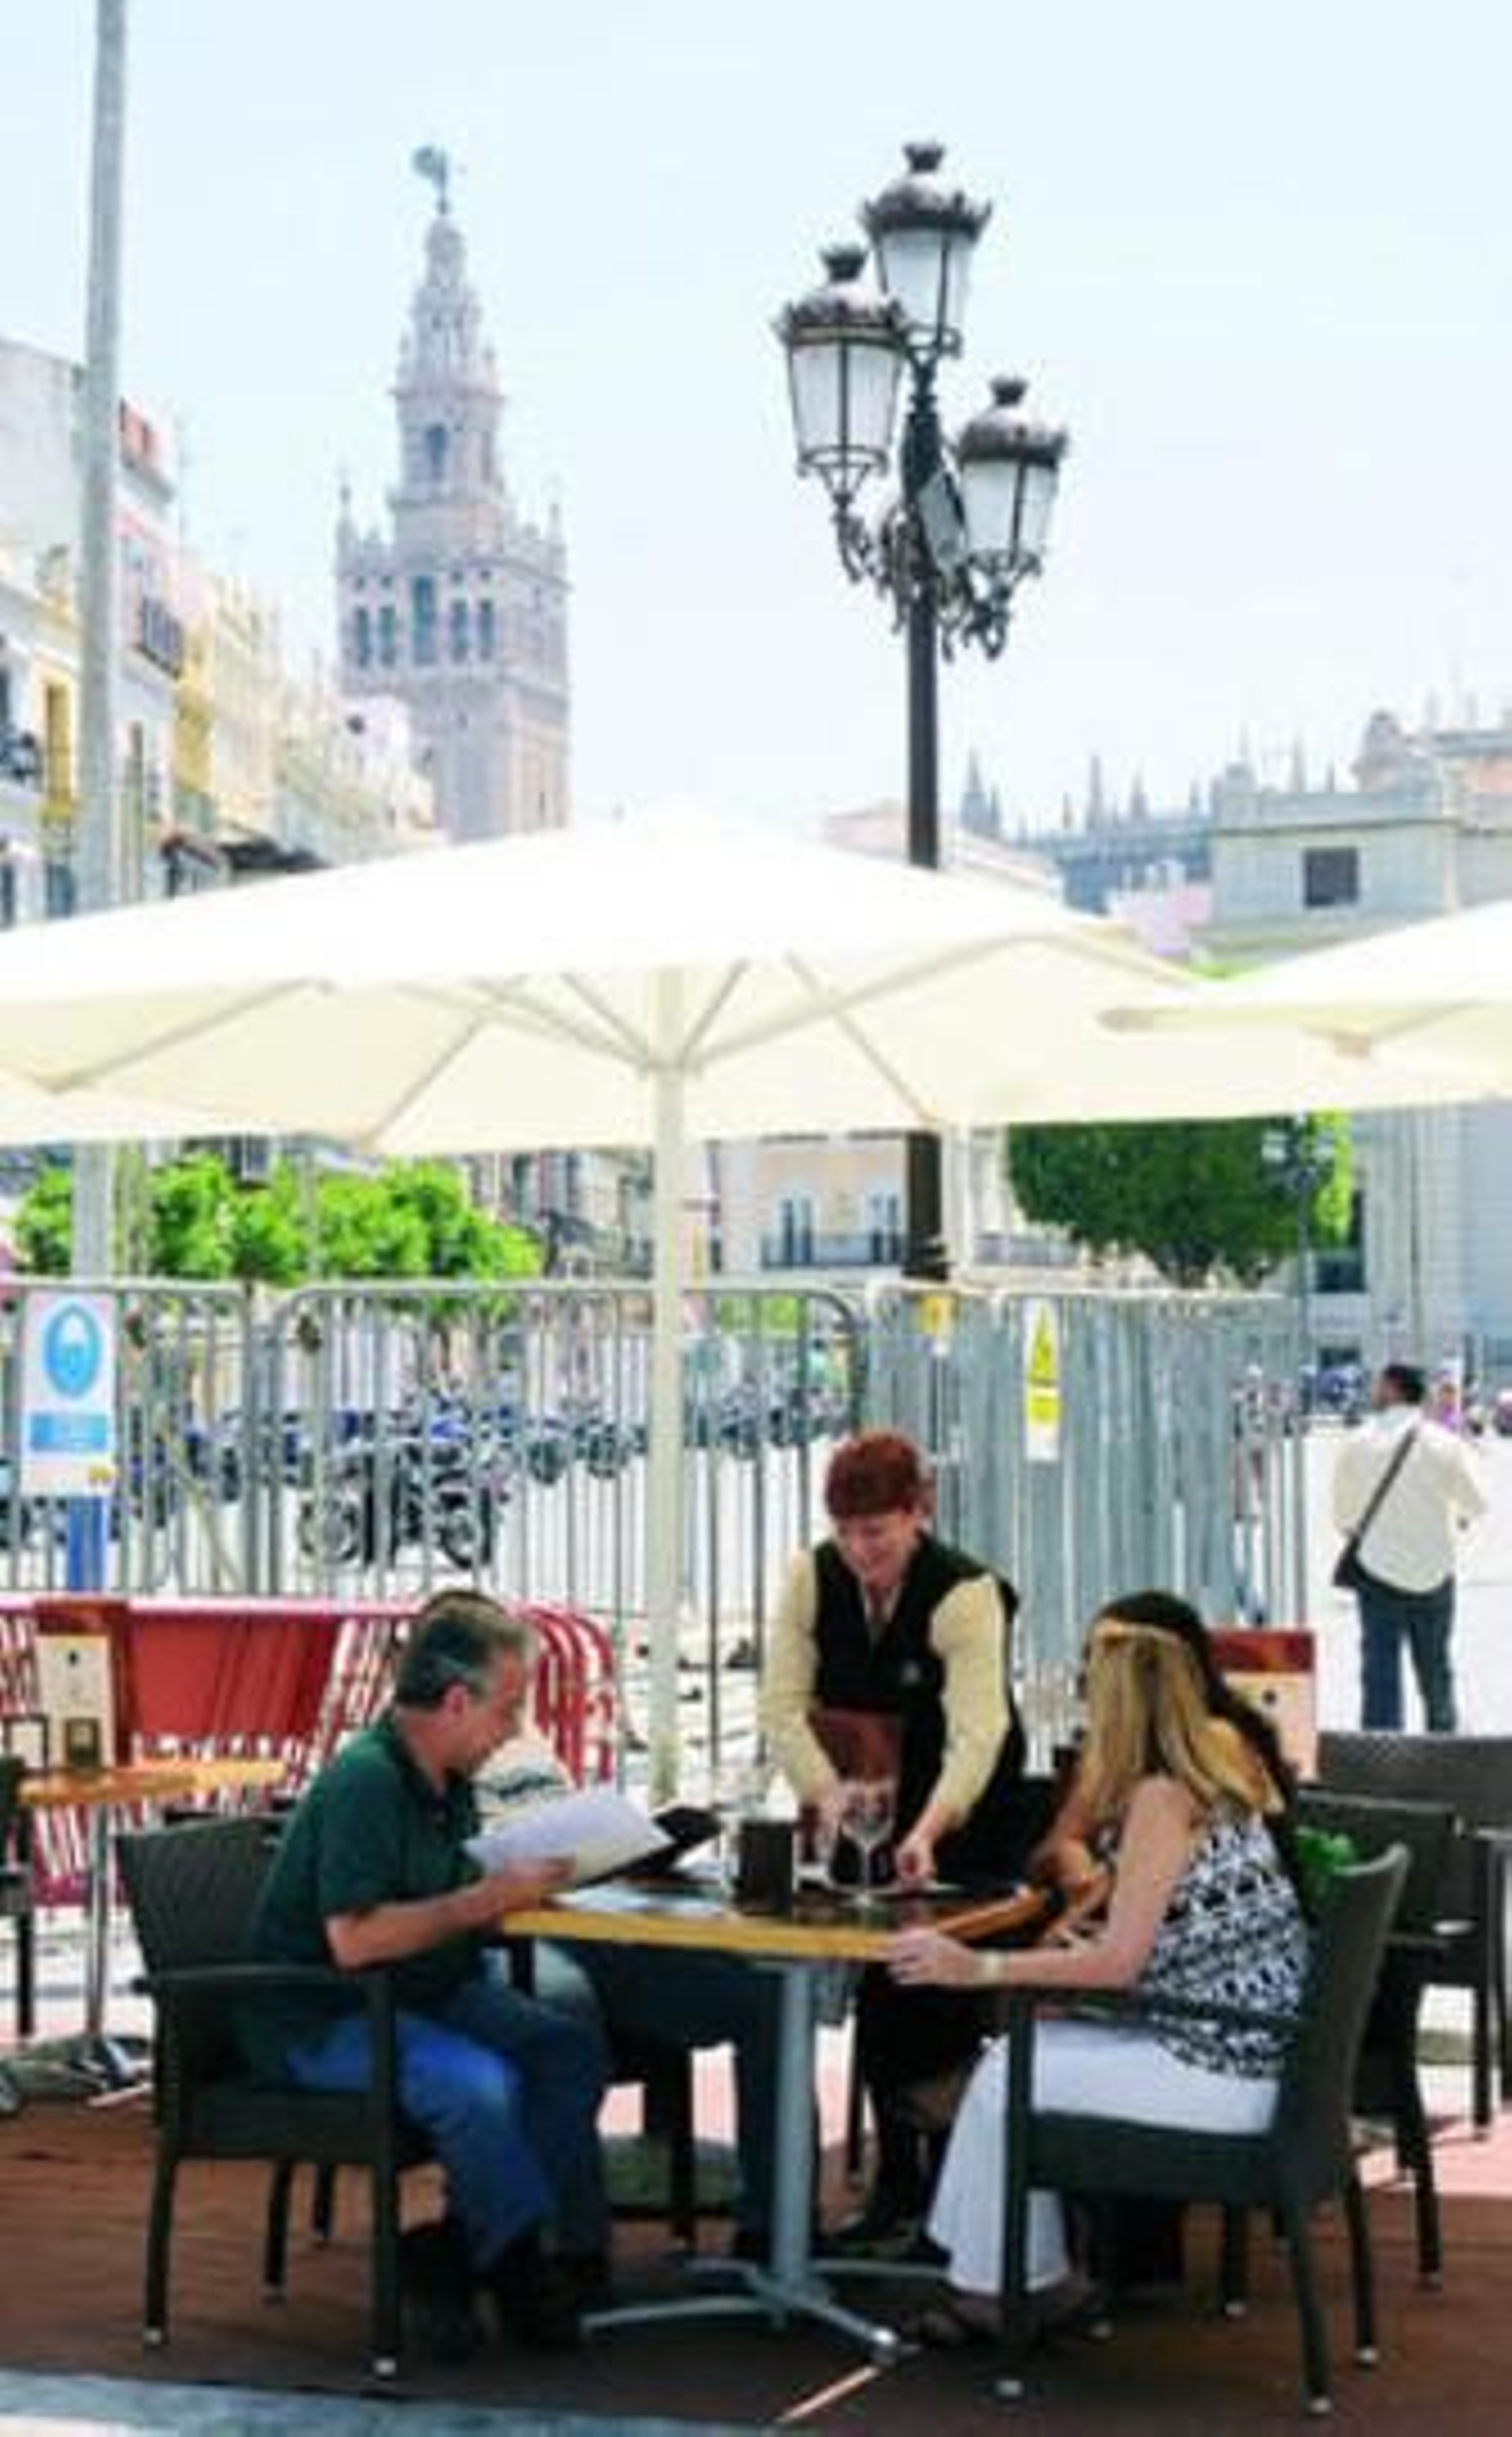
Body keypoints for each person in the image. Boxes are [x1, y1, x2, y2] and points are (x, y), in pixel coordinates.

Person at [886, 1589, 1310, 2343]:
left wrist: (974, 1967)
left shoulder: (1159, 1797)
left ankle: (1005, 2286)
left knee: (1000, 2076)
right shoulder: (1212, 1774)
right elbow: (1171, 1938)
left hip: (1225, 2068)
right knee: (1014, 2065)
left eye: (1091, 1689)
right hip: (1257, 2050)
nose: (1085, 1708)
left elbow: (1119, 1961)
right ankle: (1017, 2281)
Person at [238, 1589, 608, 2360]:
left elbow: (447, 1900)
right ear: (453, 1699)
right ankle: (512, 2262)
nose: (513, 1731)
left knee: (566, 2052)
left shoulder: (451, 1778)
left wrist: (519, 1888)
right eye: (506, 1709)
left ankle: (456, 2249)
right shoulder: (366, 1781)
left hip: (423, 1989)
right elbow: (354, 1939)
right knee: (478, 2085)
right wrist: (486, 1899)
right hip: (326, 2013)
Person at [761, 1428, 1026, 2246]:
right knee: (875, 1980)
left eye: (876, 1531)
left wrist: (931, 1828)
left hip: (967, 1815)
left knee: (915, 1988)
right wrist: (824, 1791)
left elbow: (978, 1735)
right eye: (846, 1531)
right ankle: (903, 2179)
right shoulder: (812, 1576)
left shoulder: (966, 1593)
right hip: (859, 1802)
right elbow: (780, 1702)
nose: (859, 1549)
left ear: (918, 1514)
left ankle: (942, 2188)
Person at [475, 1725, 784, 2257]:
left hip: (581, 1918)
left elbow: (569, 1846)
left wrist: (639, 1850)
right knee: (563, 2008)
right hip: (498, 1937)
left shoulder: (524, 1739)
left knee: (764, 1995)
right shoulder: (427, 1756)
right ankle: (574, 2248)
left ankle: (777, 2226)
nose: (515, 1700)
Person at [1332, 1360, 1486, 1732]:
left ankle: (1383, 1754)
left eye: (1379, 1385)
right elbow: (1476, 1503)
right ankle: (1444, 1743)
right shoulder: (1445, 1443)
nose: (1374, 1392)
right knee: (1435, 1667)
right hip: (1434, 1570)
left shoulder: (1359, 1441)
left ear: (1391, 1389)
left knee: (1380, 1670)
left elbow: (1343, 1516)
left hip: (1377, 1569)